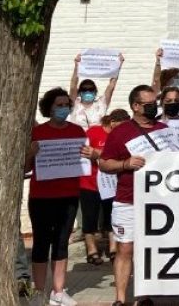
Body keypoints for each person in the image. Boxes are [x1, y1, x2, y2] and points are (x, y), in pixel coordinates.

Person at [99, 85, 167, 306]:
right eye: (148, 104)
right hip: (127, 200)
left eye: (155, 103)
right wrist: (125, 163)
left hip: (158, 201)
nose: (153, 107)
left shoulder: (164, 129)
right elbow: (104, 163)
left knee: (149, 250)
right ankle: (120, 298)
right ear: (135, 106)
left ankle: (143, 296)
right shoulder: (120, 132)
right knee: (125, 248)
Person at [26, 88, 88, 306]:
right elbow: (25, 168)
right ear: (49, 107)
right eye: (59, 105)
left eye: (66, 105)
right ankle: (39, 291)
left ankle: (58, 291)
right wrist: (31, 153)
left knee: (61, 243)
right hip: (41, 196)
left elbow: (85, 162)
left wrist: (90, 155)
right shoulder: (37, 132)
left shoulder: (78, 131)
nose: (63, 109)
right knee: (41, 243)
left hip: (69, 194)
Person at [80, 110, 129, 266]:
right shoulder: (94, 132)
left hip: (111, 184)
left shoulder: (121, 136)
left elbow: (123, 156)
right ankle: (92, 250)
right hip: (90, 182)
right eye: (120, 126)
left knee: (111, 218)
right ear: (112, 122)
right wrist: (95, 154)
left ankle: (113, 249)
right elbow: (83, 151)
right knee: (90, 218)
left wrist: (98, 154)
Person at [68, 53, 123, 130]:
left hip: (97, 140)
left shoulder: (101, 104)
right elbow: (73, 86)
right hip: (78, 140)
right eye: (84, 89)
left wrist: (118, 65)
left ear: (95, 92)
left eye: (91, 90)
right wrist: (77, 66)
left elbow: (111, 86)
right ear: (80, 92)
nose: (88, 92)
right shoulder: (74, 104)